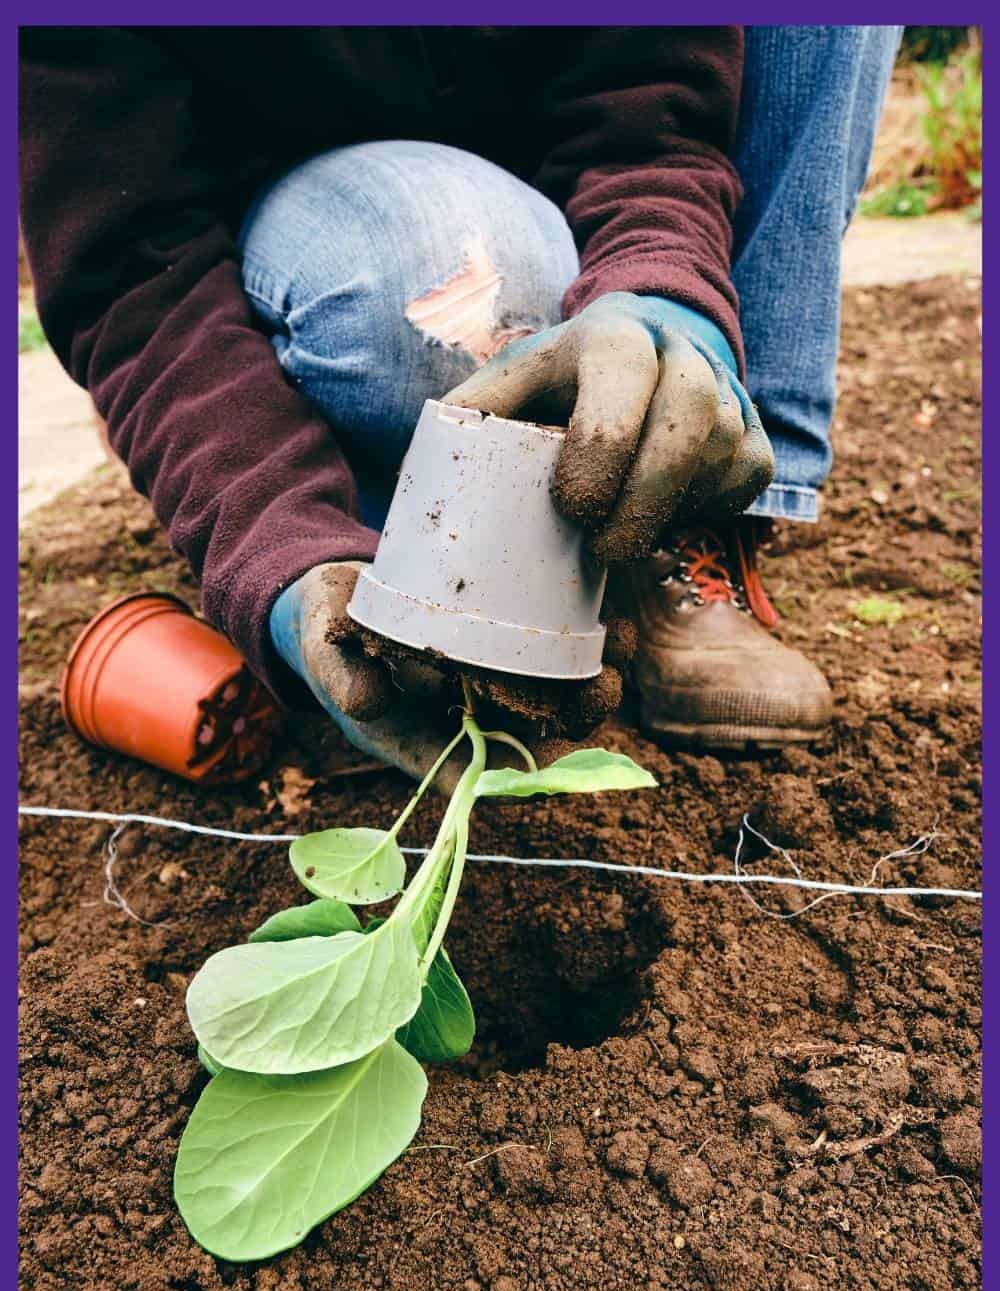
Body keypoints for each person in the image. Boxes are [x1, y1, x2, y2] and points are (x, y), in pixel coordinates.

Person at [19, 25, 901, 776]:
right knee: (447, 264)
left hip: (570, 185)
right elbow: (134, 270)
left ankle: (690, 506)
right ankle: (386, 529)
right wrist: (276, 556)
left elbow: (650, 106)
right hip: (319, 231)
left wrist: (668, 296)